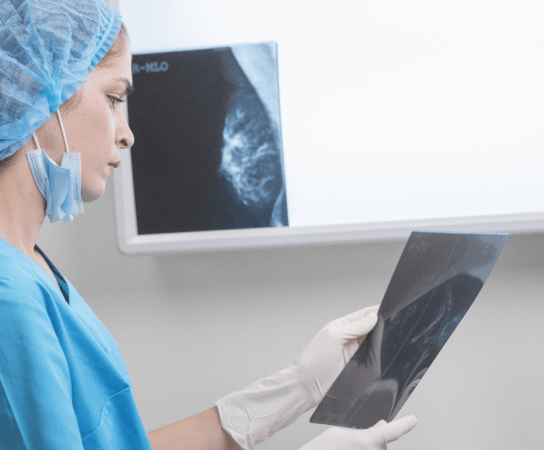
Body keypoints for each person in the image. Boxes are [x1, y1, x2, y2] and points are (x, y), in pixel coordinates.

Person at [0, 1, 417, 449]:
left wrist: (295, 388)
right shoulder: (11, 297)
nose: (127, 133)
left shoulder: (32, 267)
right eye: (114, 98)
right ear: (40, 88)